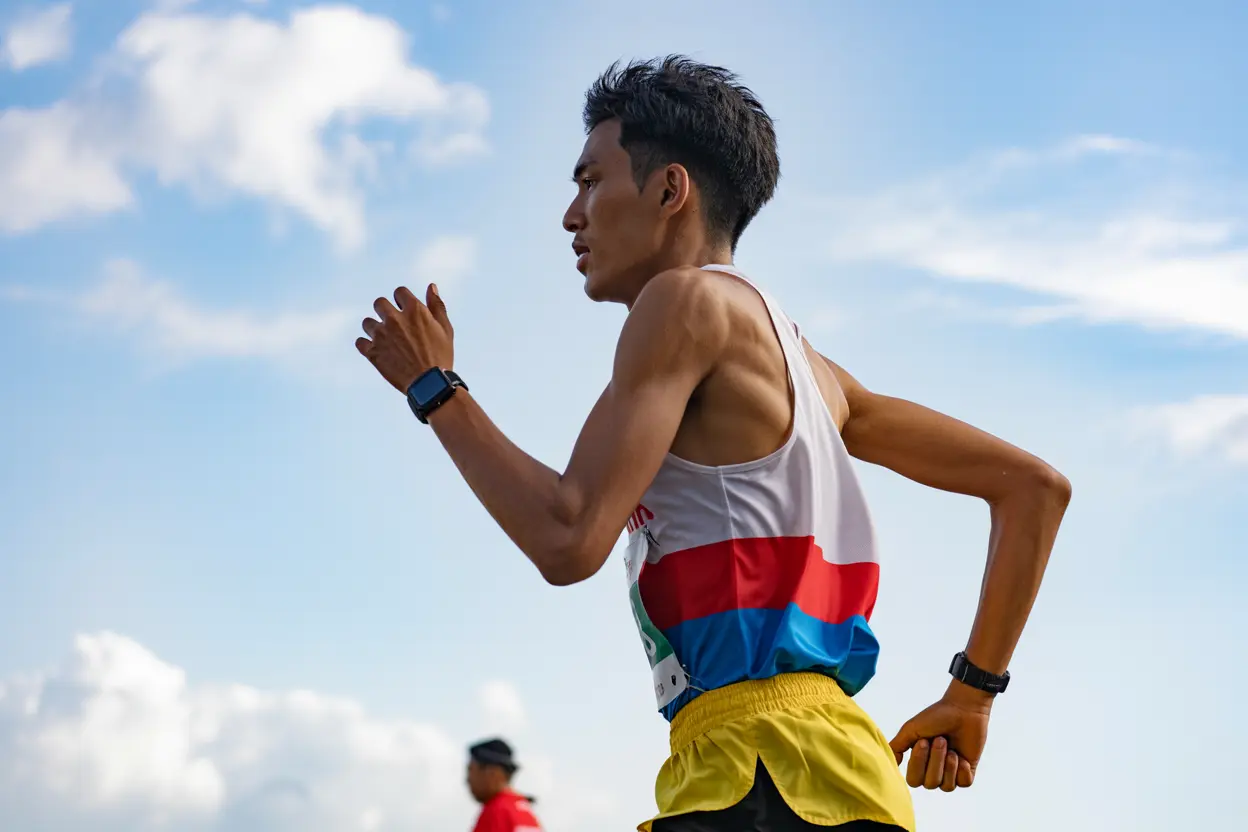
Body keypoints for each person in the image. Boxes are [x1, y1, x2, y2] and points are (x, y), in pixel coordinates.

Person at [356, 56, 1071, 832]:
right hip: (844, 776)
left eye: (590, 181)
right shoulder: (817, 373)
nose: (571, 214)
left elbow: (567, 537)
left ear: (669, 190)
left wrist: (435, 389)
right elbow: (1032, 488)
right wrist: (973, 694)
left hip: (759, 777)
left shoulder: (680, 304)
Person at [466, 738, 543, 832]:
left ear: (491, 773)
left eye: (471, 770)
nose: (468, 780)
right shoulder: (525, 812)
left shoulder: (496, 812)